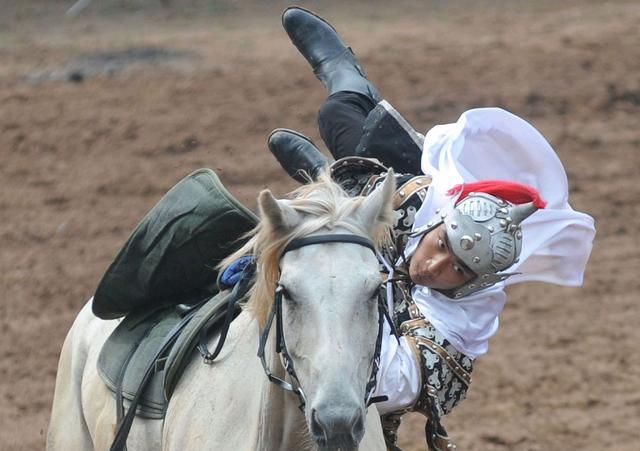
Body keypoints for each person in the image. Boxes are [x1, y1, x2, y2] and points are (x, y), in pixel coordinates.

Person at [266, 7, 596, 451]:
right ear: (443, 220)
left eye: (457, 271)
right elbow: (381, 191)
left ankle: (319, 175)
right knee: (338, 114)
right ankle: (345, 78)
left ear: (475, 281)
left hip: (385, 349)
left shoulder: (458, 326)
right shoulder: (423, 202)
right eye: (441, 245)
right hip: (382, 192)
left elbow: (380, 380)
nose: (433, 266)